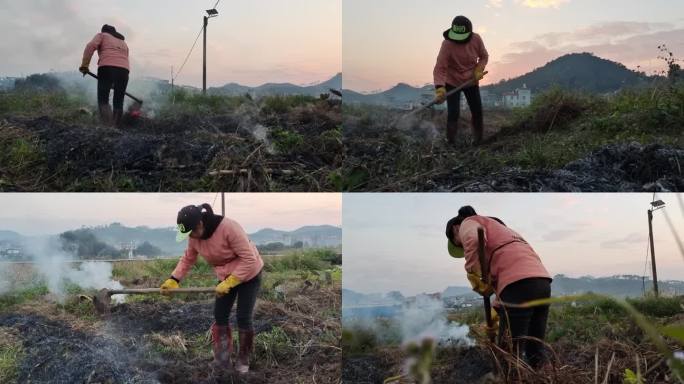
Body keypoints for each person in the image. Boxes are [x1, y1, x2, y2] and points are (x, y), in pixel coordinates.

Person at [161, 204, 264, 374]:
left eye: (191, 233)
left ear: (200, 224)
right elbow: (188, 259)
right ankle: (222, 359)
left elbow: (250, 259)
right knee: (220, 315)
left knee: (243, 316)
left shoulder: (229, 228)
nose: (191, 238)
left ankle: (243, 359)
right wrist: (174, 279)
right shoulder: (193, 236)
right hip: (224, 276)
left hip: (249, 274)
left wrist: (232, 281)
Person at [445, 206, 552, 369]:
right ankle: (546, 377)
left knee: (508, 354)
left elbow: (473, 239)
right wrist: (496, 315)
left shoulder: (468, 222)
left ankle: (510, 379)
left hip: (518, 285)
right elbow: (510, 285)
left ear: (455, 228)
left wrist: (473, 272)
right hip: (541, 282)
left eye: (456, 241)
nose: (460, 246)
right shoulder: (504, 231)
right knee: (535, 348)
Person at [433, 16, 489, 145]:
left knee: (477, 111)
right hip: (452, 81)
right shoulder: (447, 44)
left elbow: (484, 56)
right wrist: (440, 88)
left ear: (469, 33)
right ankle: (451, 142)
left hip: (471, 80)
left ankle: (478, 140)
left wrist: (479, 69)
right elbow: (440, 67)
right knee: (454, 112)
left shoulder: (476, 39)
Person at [79, 24, 130, 127]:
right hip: (124, 71)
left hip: (107, 68)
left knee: (103, 99)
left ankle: (107, 127)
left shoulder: (102, 35)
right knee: (119, 99)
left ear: (104, 31)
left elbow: (90, 46)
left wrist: (85, 65)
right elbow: (124, 58)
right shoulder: (123, 43)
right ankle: (116, 127)